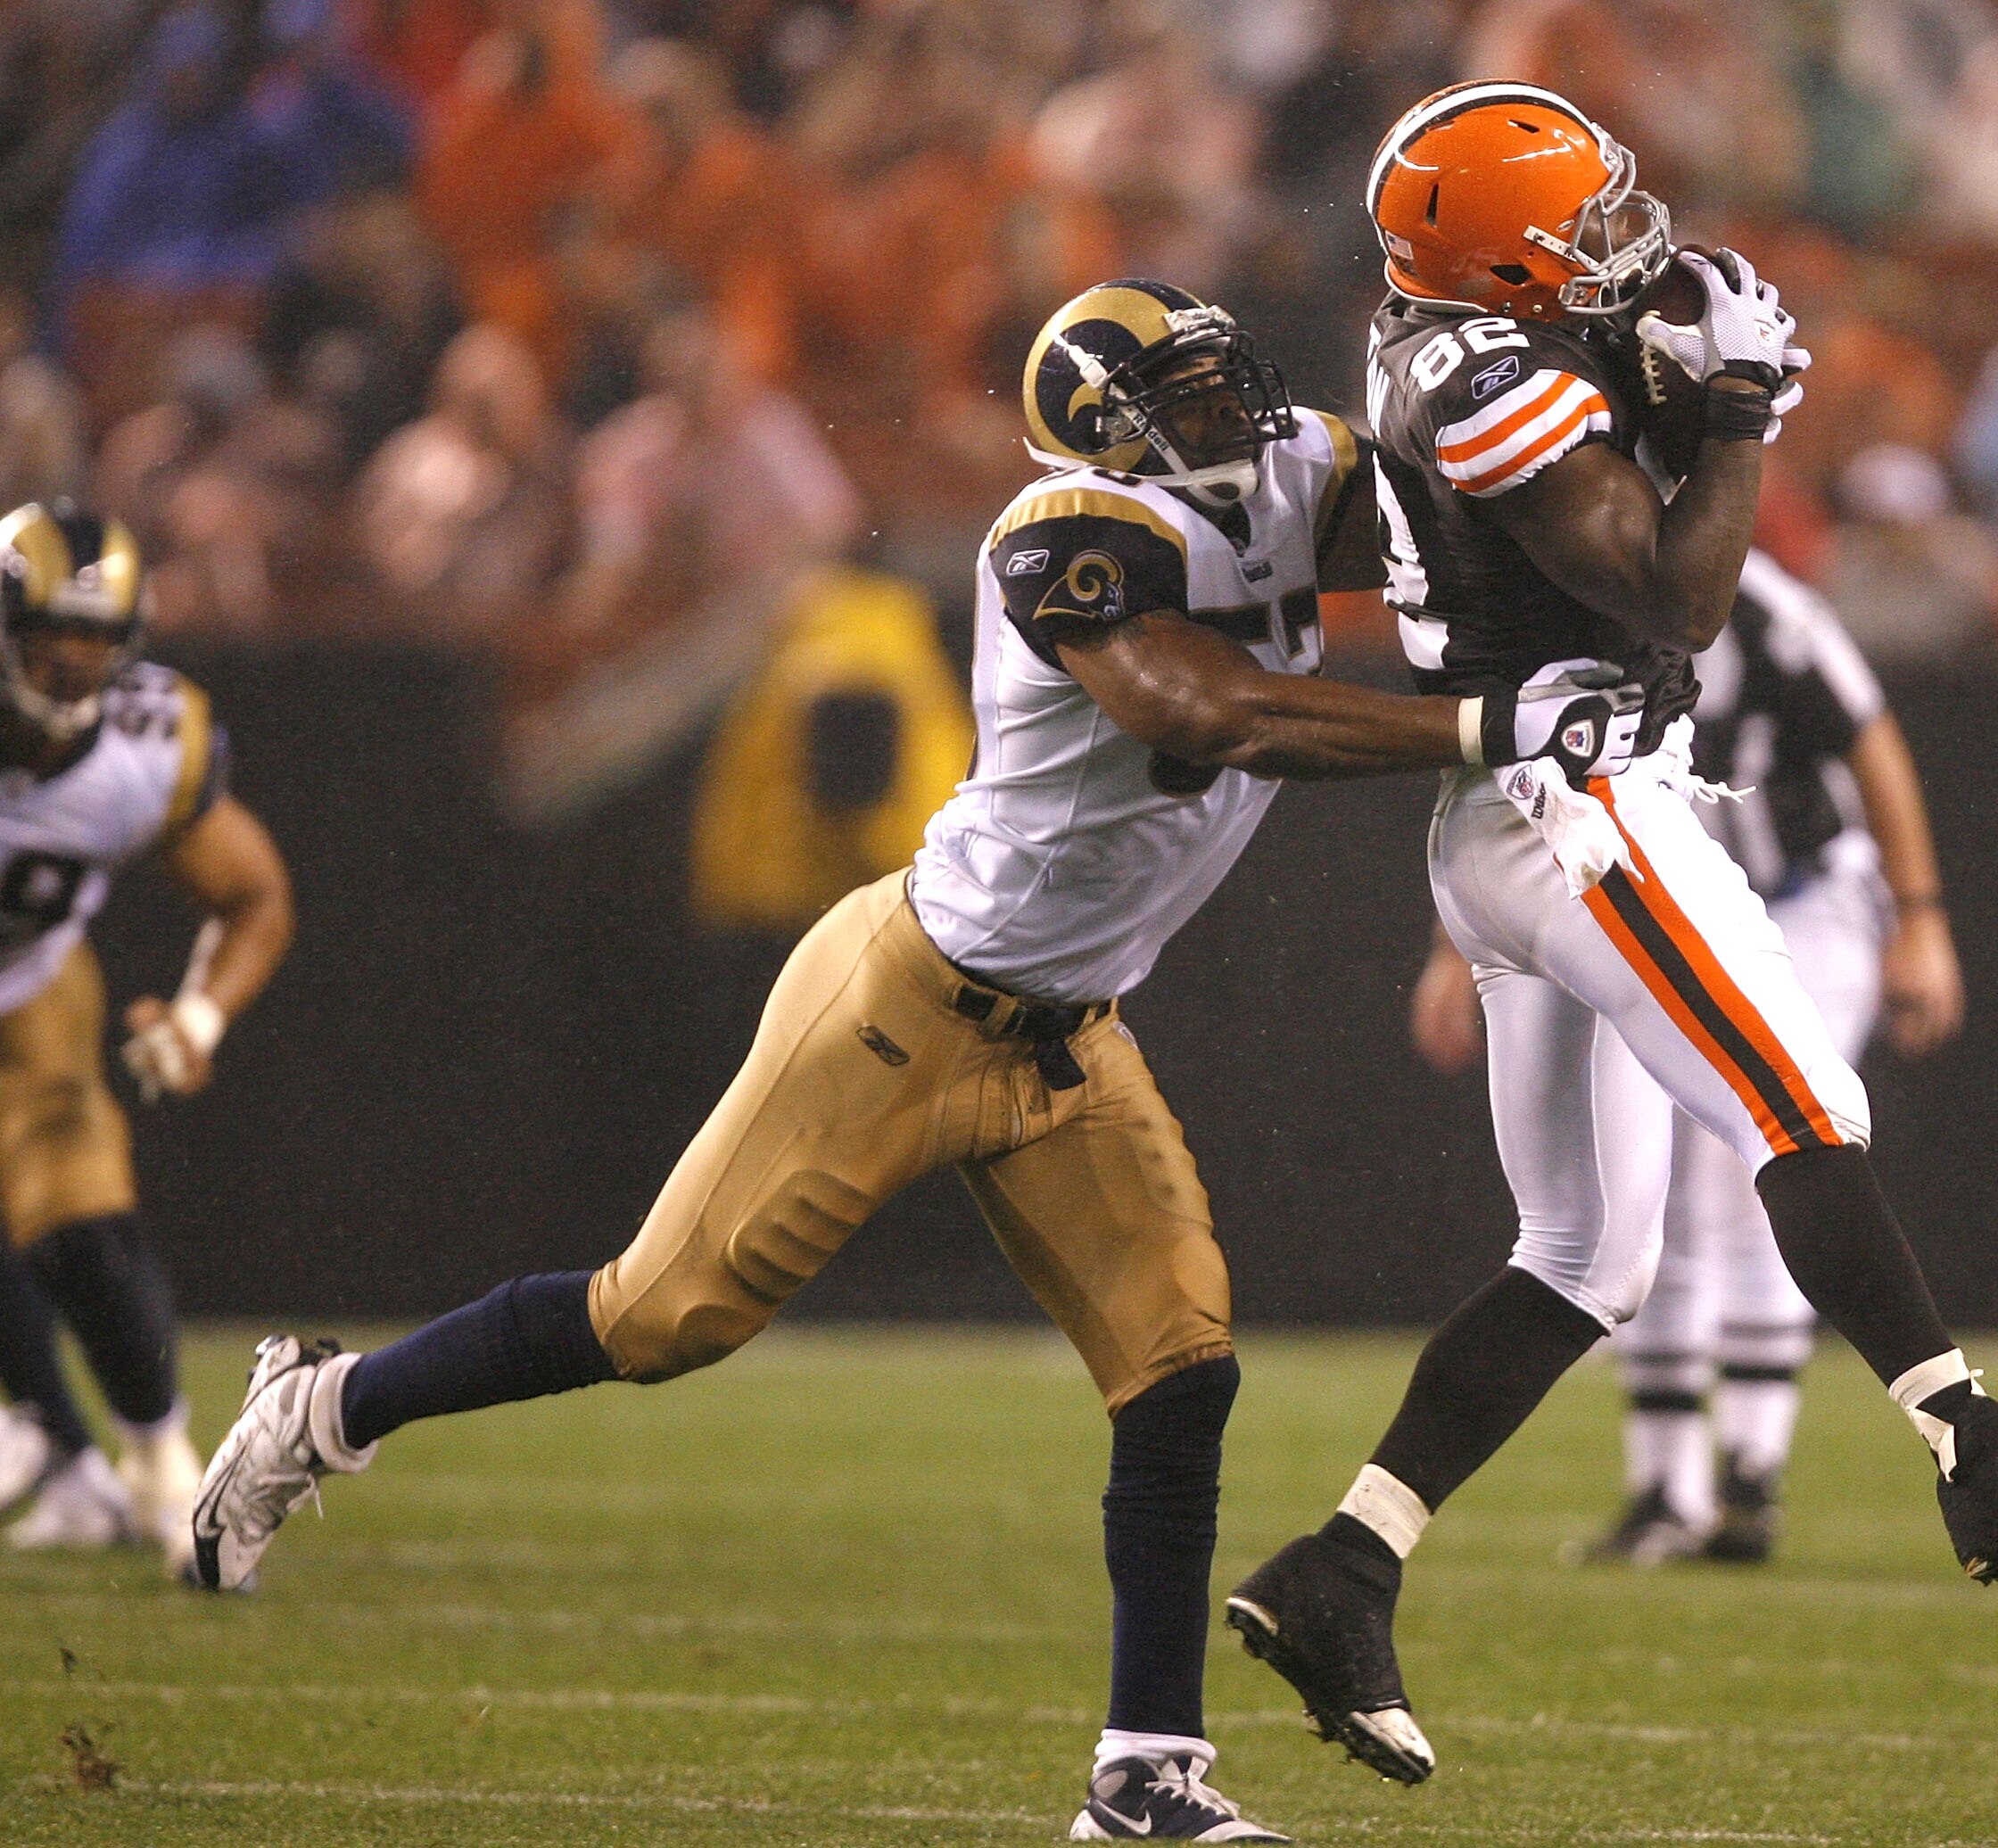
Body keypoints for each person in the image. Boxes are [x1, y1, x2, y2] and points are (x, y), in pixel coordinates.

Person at [186, 279, 1670, 1842]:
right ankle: (325, 1406)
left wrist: (1620, 422)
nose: (1233, 418)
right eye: (1185, 402)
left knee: (1180, 1368)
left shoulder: (1294, 458)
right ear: (1104, 439)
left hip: (1073, 1030)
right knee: (660, 1314)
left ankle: (1144, 1774)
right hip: (908, 1003)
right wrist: (1487, 730)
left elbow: (1459, 524)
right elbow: (1210, 708)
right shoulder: (1063, 539)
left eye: (1226, 383)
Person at [1225, 83, 1998, 1786]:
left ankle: (1342, 1563)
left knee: (1585, 1261)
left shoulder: (1463, 337)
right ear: (1493, 264)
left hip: (1532, 810)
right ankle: (1975, 1442)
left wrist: (1671, 373)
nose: (1615, 241)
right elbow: (1672, 590)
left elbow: (1613, 456)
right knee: (1799, 1097)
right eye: (1576, 228)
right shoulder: (1481, 378)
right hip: (1577, 803)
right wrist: (1727, 414)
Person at [1413, 549, 1966, 1567]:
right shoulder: (1561, 588)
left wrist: (1920, 915)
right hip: (1630, 904)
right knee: (1645, 1194)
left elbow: (1869, 735)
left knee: (1751, 1155)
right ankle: (1669, 1485)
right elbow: (1515, 780)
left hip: (1796, 900)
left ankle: (1750, 1470)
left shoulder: (1759, 606)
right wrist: (1462, 948)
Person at [0, 502, 294, 1571]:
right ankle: (56, 1452)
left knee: (82, 1229)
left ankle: (157, 1463)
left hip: (29, 988)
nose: (70, 669)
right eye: (46, 639)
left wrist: (200, 1013)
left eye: (93, 643)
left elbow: (254, 894)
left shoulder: (145, 747)